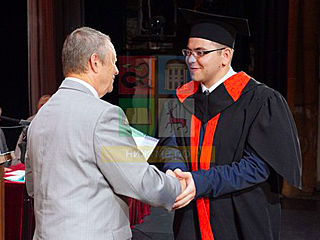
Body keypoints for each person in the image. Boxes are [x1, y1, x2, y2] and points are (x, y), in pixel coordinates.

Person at [25, 27, 184, 240]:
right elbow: (140, 182)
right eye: (113, 61)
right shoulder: (103, 115)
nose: (117, 70)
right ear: (95, 62)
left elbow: (32, 186)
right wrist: (178, 185)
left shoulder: (41, 115)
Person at [157, 8, 302, 240]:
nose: (191, 60)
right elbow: (169, 145)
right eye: (188, 52)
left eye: (201, 52)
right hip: (191, 216)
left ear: (225, 56)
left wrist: (201, 182)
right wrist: (177, 172)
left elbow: (257, 166)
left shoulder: (259, 100)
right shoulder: (180, 100)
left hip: (240, 215)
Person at [12, 94, 51, 165]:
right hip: (30, 159)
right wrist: (17, 162)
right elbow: (20, 144)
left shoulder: (56, 122)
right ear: (38, 106)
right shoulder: (30, 121)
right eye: (42, 105)